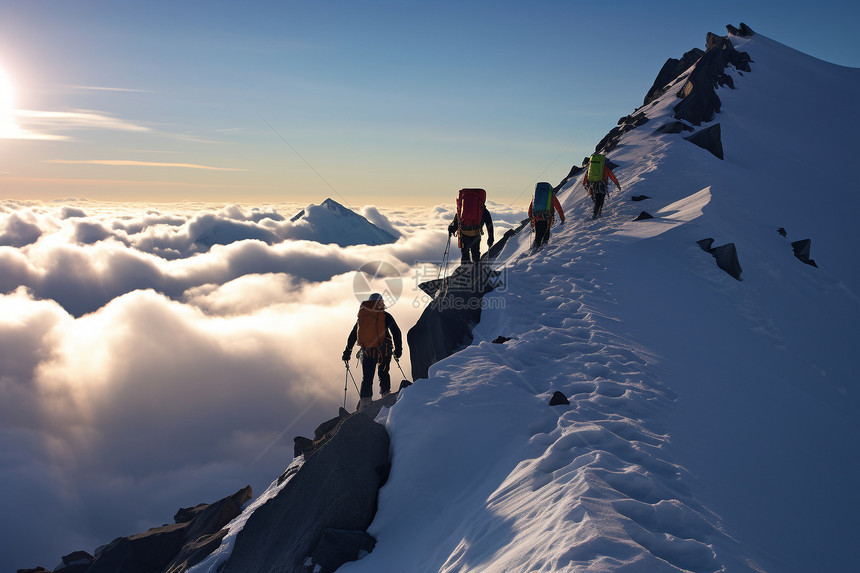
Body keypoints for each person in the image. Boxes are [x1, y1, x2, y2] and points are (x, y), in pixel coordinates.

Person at [342, 293, 402, 411]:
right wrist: (398, 350)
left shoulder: (363, 317)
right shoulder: (385, 316)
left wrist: (347, 351)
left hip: (368, 350)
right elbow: (396, 332)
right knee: (383, 372)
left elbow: (353, 334)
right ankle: (385, 398)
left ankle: (365, 402)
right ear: (381, 303)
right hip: (384, 349)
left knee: (367, 377)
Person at [448, 193, 494, 264]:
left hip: (464, 234)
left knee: (465, 255)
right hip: (476, 234)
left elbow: (457, 222)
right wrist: (491, 238)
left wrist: (452, 229)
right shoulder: (483, 210)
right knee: (475, 254)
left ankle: (465, 271)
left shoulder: (462, 209)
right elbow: (489, 224)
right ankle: (476, 270)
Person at [581, 154, 621, 219]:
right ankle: (599, 212)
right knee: (601, 198)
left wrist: (584, 184)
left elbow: (586, 176)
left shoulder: (591, 168)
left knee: (597, 199)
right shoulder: (605, 168)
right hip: (602, 185)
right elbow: (612, 176)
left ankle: (595, 213)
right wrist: (617, 184)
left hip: (594, 185)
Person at [528, 181, 565, 248]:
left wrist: (531, 217)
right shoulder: (550, 195)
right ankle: (542, 250)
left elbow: (531, 208)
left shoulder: (536, 196)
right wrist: (562, 217)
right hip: (547, 217)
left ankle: (535, 248)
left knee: (538, 234)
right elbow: (558, 206)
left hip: (537, 217)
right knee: (545, 234)